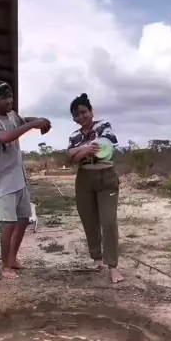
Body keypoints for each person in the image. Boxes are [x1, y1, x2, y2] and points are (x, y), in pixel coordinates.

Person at [0, 79, 51, 279]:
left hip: (19, 179)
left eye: (11, 96)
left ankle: (13, 259)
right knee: (8, 225)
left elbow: (22, 120)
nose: (9, 101)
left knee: (23, 220)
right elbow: (5, 137)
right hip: (4, 183)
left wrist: (39, 120)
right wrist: (33, 125)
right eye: (5, 98)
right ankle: (5, 267)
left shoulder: (11, 115)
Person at [67, 93, 123, 284]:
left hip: (106, 176)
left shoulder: (103, 125)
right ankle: (96, 258)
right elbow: (71, 160)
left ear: (91, 112)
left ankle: (113, 266)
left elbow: (103, 147)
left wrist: (77, 150)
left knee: (108, 222)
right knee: (89, 220)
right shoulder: (74, 136)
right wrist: (83, 150)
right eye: (76, 114)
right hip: (84, 178)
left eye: (83, 112)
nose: (80, 117)